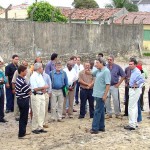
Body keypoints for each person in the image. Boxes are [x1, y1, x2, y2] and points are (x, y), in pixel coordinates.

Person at [90, 57, 111, 134]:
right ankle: (101, 127)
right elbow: (91, 73)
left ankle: (95, 128)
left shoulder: (106, 71)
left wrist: (105, 95)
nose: (96, 64)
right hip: (96, 93)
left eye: (97, 63)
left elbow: (108, 84)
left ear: (102, 63)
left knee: (97, 111)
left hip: (101, 94)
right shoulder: (98, 70)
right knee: (101, 111)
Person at [124, 59, 144, 130]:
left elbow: (142, 79)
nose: (130, 65)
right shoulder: (133, 71)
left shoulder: (137, 71)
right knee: (134, 107)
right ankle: (135, 123)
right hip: (133, 89)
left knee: (131, 107)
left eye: (131, 64)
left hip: (134, 90)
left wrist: (137, 84)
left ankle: (132, 124)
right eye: (129, 64)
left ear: (135, 65)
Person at [30, 63, 49, 134]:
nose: (42, 69)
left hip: (41, 95)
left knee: (42, 111)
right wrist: (43, 88)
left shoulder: (40, 75)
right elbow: (35, 88)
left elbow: (42, 84)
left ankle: (40, 126)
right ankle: (34, 127)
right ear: (38, 68)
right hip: (36, 95)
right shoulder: (33, 76)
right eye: (41, 68)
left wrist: (44, 89)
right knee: (36, 112)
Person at [15, 65, 31, 139]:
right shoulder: (21, 80)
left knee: (24, 117)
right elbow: (28, 91)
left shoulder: (20, 79)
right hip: (23, 100)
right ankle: (21, 134)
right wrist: (30, 91)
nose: (27, 72)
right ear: (22, 71)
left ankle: (23, 132)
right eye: (25, 71)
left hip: (22, 99)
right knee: (23, 117)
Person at [0, 58, 8, 123]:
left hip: (1, 88)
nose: (0, 64)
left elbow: (5, 80)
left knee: (2, 103)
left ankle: (1, 117)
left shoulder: (1, 72)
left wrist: (3, 81)